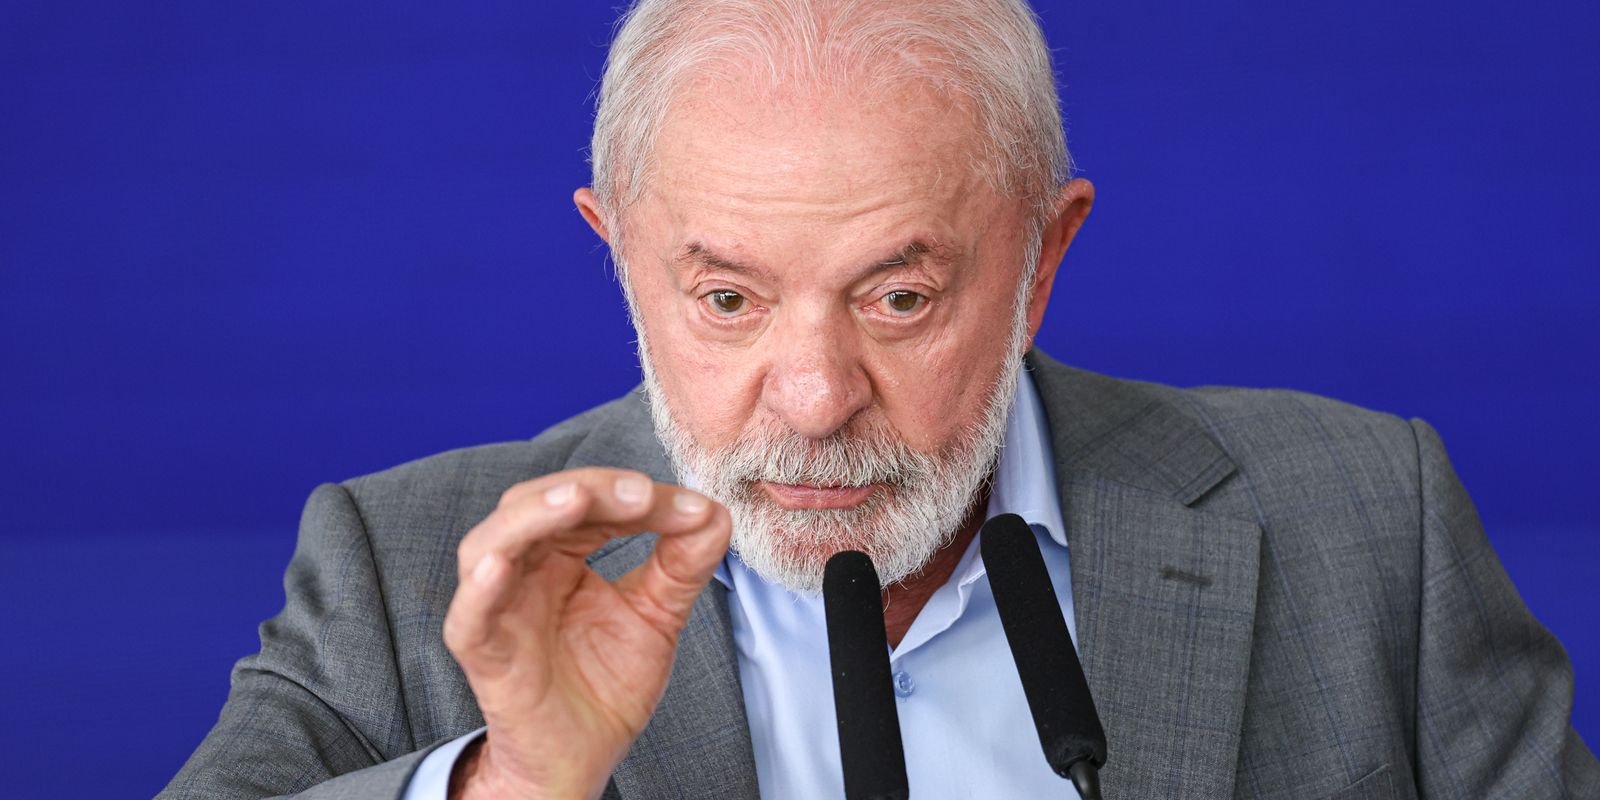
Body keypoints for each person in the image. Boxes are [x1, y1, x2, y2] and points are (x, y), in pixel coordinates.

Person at [162, 0, 1599, 798]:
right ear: (620, 258)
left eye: (899, 297)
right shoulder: (406, 567)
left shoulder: (1371, 521)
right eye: (728, 300)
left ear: (1042, 260)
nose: (811, 397)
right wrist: (515, 785)